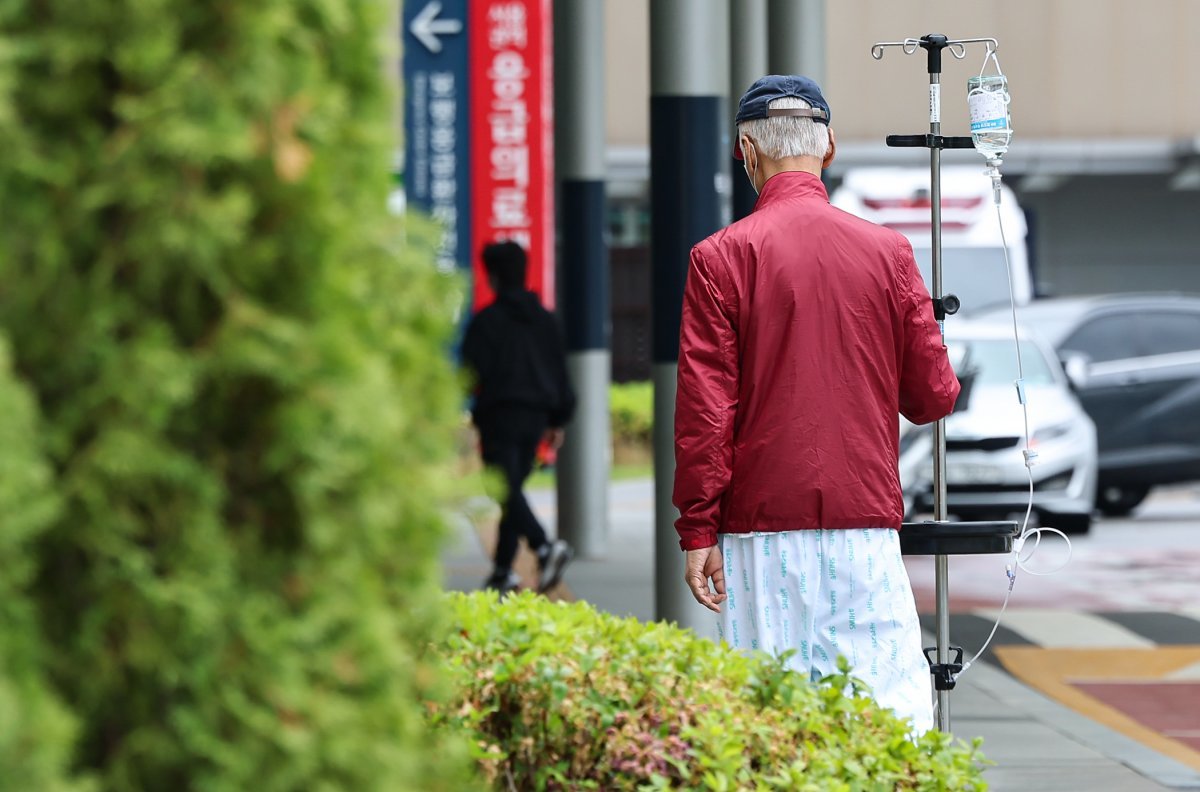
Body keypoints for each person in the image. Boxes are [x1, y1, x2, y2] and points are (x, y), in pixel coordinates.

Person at [672, 75, 961, 734]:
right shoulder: (888, 252)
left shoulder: (718, 259)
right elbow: (933, 396)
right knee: (888, 714)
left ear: (747, 150)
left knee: (770, 716)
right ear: (828, 147)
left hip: (758, 530)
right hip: (863, 525)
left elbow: (705, 412)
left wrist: (698, 529)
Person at [462, 240, 576, 596]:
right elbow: (560, 372)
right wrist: (558, 420)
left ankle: (543, 546)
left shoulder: (487, 321)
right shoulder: (544, 320)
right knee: (511, 489)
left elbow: (469, 370)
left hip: (500, 416)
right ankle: (501, 572)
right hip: (537, 419)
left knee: (503, 487)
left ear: (492, 276)